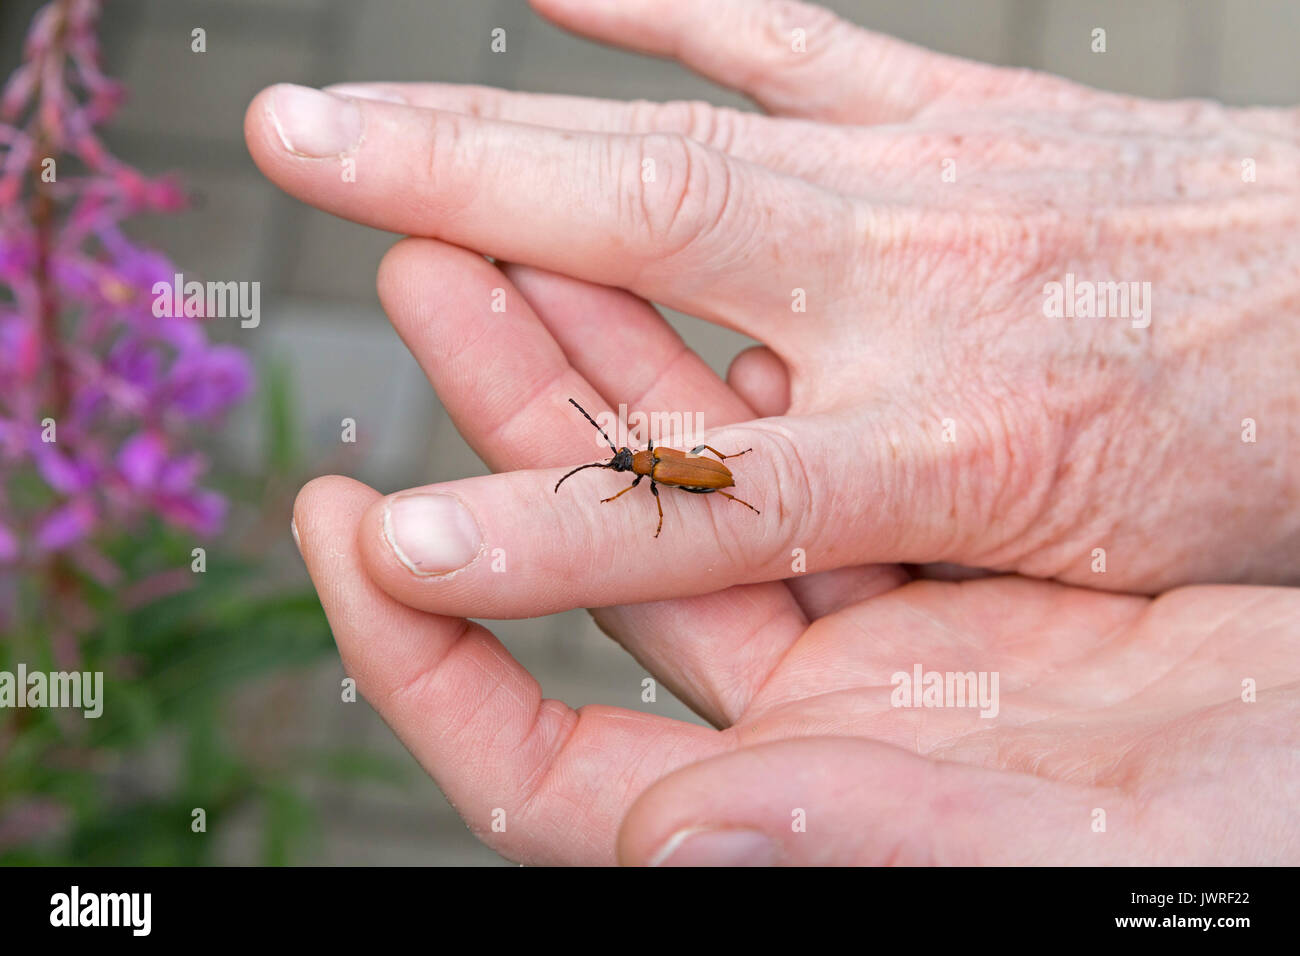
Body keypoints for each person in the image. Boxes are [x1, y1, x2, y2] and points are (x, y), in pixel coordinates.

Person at [244, 0, 1300, 864]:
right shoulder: (649, 467)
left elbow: (666, 479)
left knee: (712, 480)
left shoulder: (655, 469)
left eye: (618, 458)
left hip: (712, 480)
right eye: (617, 461)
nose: (619, 465)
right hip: (711, 481)